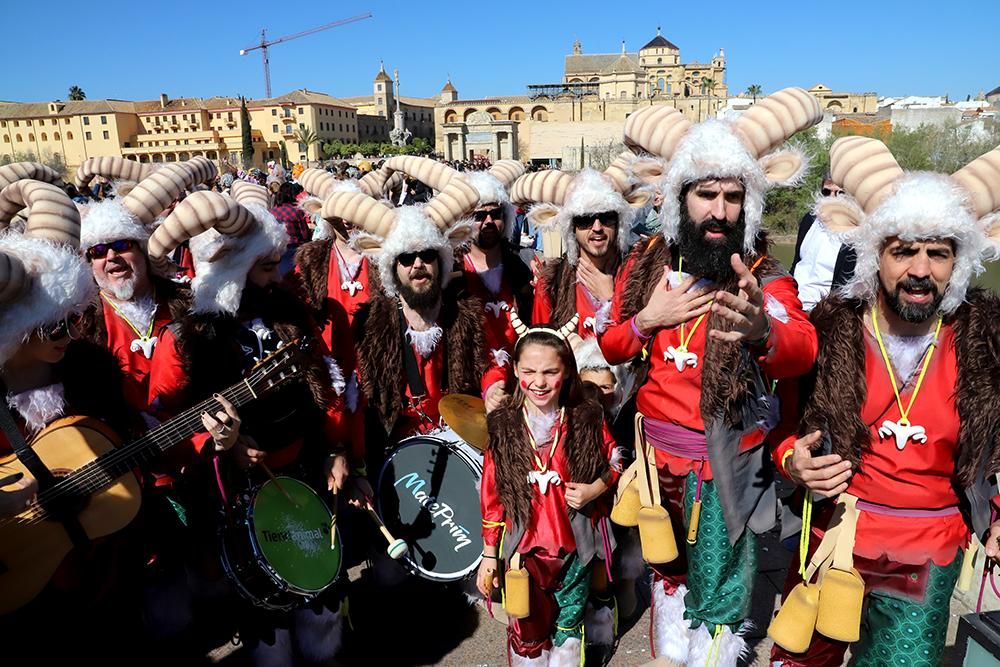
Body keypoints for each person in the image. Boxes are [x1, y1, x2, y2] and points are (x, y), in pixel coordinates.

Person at [599, 88, 822, 664]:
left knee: (721, 598)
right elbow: (611, 345)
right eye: (706, 194)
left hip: (720, 467)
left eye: (732, 195)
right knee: (668, 574)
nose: (719, 211)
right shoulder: (646, 260)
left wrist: (761, 334)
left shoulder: (766, 276)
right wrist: (648, 320)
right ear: (680, 198)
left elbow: (801, 348)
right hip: (654, 462)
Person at [769, 138, 1000, 666]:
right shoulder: (831, 327)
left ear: (959, 261)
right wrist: (794, 461)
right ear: (876, 254)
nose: (920, 270)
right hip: (835, 534)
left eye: (938, 253)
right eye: (903, 251)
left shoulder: (986, 337)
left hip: (926, 548)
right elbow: (780, 428)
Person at [148, 181, 358, 666]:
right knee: (266, 610)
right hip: (234, 489)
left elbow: (322, 384)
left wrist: (337, 449)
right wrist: (216, 444)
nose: (276, 275)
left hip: (304, 470)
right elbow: (159, 424)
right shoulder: (185, 336)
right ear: (233, 268)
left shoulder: (289, 310)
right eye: (265, 266)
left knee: (321, 589)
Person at [0, 173, 142, 660]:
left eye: (75, 317)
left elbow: (119, 451)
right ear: (12, 330)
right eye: (54, 324)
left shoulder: (90, 374)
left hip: (90, 564)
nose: (69, 332)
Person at [478, 315, 620, 666]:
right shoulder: (504, 426)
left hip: (575, 543)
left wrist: (593, 490)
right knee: (527, 628)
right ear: (514, 370)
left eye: (549, 372)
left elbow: (615, 464)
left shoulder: (586, 416)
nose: (538, 383)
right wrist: (488, 554)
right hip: (524, 550)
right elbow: (492, 494)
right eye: (529, 372)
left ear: (567, 372)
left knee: (569, 626)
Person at [335, 156, 493, 447]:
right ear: (393, 268)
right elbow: (356, 399)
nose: (417, 264)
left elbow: (489, 370)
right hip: (393, 453)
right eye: (406, 258)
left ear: (441, 261)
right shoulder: (369, 325)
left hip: (459, 446)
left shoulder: (467, 316)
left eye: (427, 255)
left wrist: (494, 389)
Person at [512, 158, 650, 340]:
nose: (597, 227)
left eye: (607, 217)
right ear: (572, 227)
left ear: (619, 223)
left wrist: (611, 299)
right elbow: (542, 349)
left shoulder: (641, 274)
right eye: (585, 219)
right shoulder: (551, 285)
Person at [459, 160, 535, 411]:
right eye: (479, 216)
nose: (489, 221)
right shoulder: (452, 270)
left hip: (522, 387)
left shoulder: (524, 263)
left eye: (496, 214)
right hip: (470, 389)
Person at [790, 174, 856, 310]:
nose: (832, 198)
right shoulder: (810, 219)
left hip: (827, 312)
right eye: (827, 192)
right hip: (793, 303)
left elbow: (847, 287)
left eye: (840, 193)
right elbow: (797, 264)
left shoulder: (857, 232)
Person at [271, 181, 312, 275]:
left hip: (276, 251)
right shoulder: (297, 211)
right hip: (294, 251)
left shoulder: (271, 212)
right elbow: (305, 235)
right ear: (292, 195)